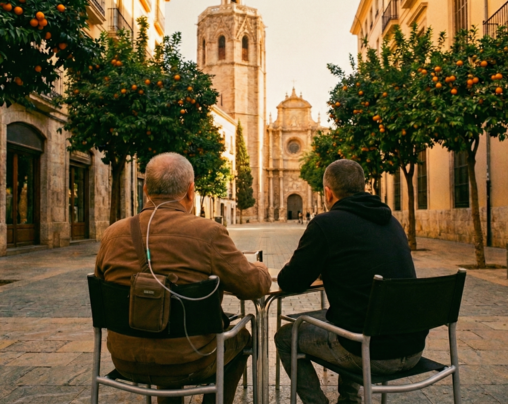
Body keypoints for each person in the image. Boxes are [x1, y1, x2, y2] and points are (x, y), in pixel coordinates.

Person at [95, 153, 272, 404]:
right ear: (191, 191)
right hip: (192, 360)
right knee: (240, 339)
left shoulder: (112, 234)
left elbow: (103, 284)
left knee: (164, 338)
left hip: (125, 358)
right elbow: (253, 285)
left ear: (145, 190)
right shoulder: (208, 233)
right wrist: (261, 268)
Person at [274, 159, 428, 404]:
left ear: (327, 192)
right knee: (354, 315)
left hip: (370, 352)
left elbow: (290, 281)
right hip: (413, 347)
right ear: (363, 187)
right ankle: (349, 400)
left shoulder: (326, 224)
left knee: (285, 337)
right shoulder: (392, 222)